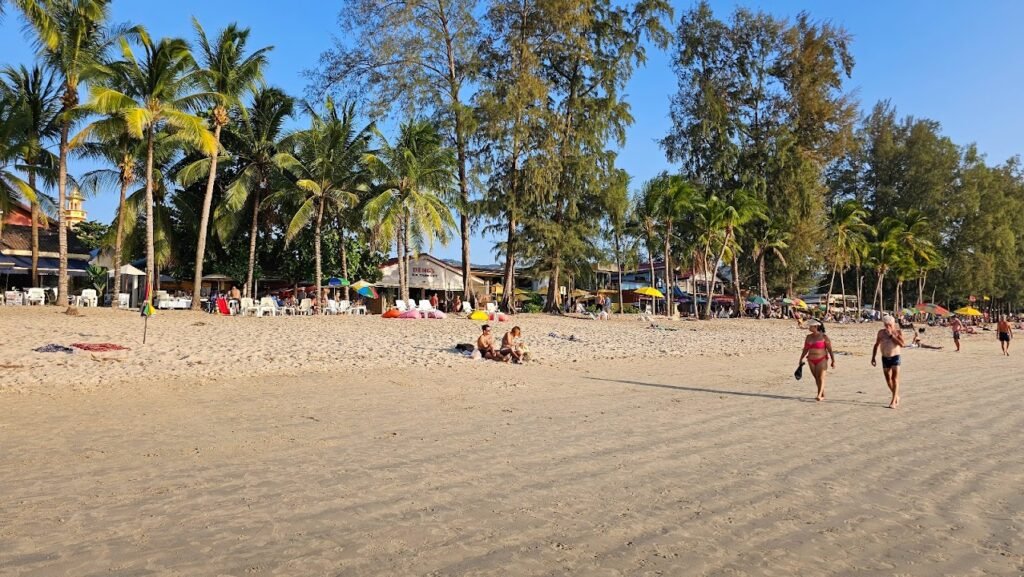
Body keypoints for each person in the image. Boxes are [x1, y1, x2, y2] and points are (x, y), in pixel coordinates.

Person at [872, 315, 906, 409]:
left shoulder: (898, 332)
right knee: (888, 380)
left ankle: (893, 401)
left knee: (895, 379)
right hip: (885, 357)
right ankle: (896, 396)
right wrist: (873, 357)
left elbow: (902, 344)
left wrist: (891, 335)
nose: (887, 327)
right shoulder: (881, 333)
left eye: (889, 325)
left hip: (895, 357)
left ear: (893, 324)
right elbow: (876, 345)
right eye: (885, 324)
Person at [798, 320, 835, 402]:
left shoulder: (824, 337)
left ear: (816, 327)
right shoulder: (808, 337)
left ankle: (819, 395)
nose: (809, 327)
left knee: (821, 377)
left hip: (822, 359)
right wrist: (801, 358)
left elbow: (830, 349)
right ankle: (822, 393)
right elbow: (806, 349)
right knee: (816, 378)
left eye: (811, 326)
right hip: (811, 360)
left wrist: (833, 360)